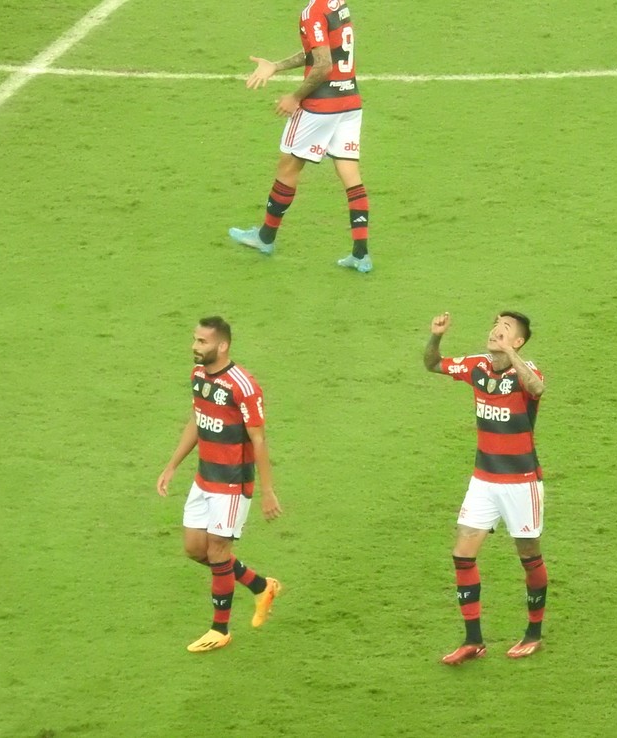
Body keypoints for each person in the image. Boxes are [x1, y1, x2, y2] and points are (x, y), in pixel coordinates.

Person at [424, 311, 549, 664]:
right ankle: (473, 641)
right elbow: (432, 364)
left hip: (521, 483)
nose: (497, 329)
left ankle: (533, 633)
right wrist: (436, 336)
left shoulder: (527, 371)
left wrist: (510, 356)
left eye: (506, 328)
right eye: (496, 324)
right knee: (462, 555)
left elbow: (538, 389)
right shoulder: (476, 366)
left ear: (519, 341)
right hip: (484, 480)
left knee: (528, 557)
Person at [157, 316, 283, 652]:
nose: (194, 347)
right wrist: (172, 466)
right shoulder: (199, 376)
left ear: (222, 345)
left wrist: (268, 492)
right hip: (204, 478)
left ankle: (220, 629)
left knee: (218, 551)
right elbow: (198, 421)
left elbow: (259, 440)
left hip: (231, 484)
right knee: (195, 550)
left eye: (201, 342)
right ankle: (260, 585)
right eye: (195, 340)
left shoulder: (242, 385)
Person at [228, 0, 373, 274]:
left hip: (321, 105)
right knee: (351, 174)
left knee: (289, 166)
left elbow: (322, 65)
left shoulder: (312, 11)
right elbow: (321, 50)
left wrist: (295, 97)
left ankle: (265, 237)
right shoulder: (336, 4)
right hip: (350, 101)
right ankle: (360, 254)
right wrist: (277, 66)